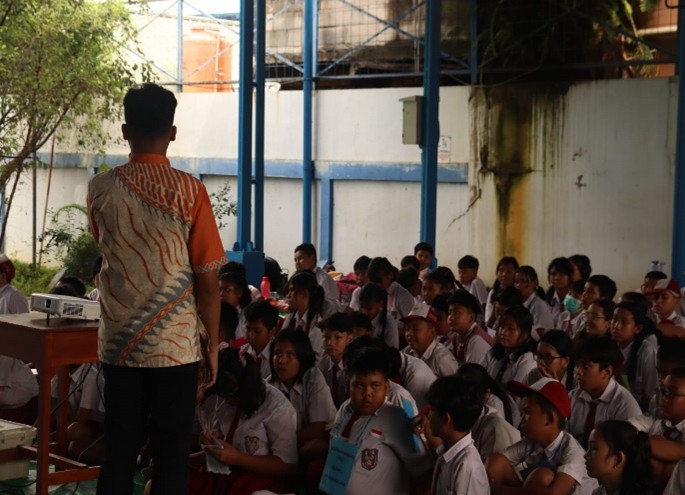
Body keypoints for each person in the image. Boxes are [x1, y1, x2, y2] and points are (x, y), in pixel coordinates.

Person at [87, 83, 224, 495]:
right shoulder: (191, 191)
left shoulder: (100, 188)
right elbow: (209, 281)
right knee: (171, 454)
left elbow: (105, 245)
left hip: (120, 345)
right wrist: (212, 345)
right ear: (173, 132)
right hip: (176, 349)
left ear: (125, 131)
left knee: (119, 449)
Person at [319, 347, 431, 495]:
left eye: (375, 385)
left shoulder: (394, 417)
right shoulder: (345, 409)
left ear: (386, 388)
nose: (367, 393)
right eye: (359, 385)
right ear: (348, 384)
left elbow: (422, 469)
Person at [188, 348, 297, 494]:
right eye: (223, 397)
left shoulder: (277, 407)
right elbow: (222, 452)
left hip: (258, 478)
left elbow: (288, 466)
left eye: (232, 396)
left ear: (245, 386)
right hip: (224, 473)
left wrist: (238, 458)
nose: (228, 402)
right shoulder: (220, 398)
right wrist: (210, 443)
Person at [486, 378, 598, 495]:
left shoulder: (573, 452)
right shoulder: (532, 442)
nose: (521, 419)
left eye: (527, 412)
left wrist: (496, 490)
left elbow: (554, 493)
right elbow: (497, 461)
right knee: (496, 461)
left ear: (548, 418)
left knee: (543, 475)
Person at [417, 375, 490, 494]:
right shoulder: (447, 449)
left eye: (432, 411)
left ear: (446, 418)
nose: (428, 416)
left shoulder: (467, 467)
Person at [268, 329, 336, 454]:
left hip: (321, 437)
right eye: (278, 354)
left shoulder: (314, 379)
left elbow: (317, 430)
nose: (282, 361)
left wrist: (281, 441)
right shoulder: (268, 385)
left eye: (289, 354)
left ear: (302, 357)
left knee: (312, 448)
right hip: (284, 440)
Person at [568, 336, 642, 449]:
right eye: (577, 365)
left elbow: (627, 450)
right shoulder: (573, 396)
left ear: (607, 372)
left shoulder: (624, 405)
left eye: (586, 366)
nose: (578, 371)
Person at [629, 368, 685, 491]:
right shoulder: (656, 414)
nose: (663, 398)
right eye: (663, 391)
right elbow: (625, 433)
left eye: (671, 393)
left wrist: (642, 445)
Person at [455, 364, 521, 460]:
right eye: (459, 393)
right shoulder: (458, 415)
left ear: (486, 394)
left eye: (472, 395)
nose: (464, 400)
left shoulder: (494, 428)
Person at [584, 420, 652, 495]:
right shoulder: (599, 492)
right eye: (588, 448)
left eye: (594, 448)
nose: (586, 456)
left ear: (618, 459)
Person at [611, 301, 658, 410]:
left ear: (638, 328)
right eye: (614, 319)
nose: (616, 326)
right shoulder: (608, 347)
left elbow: (650, 396)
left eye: (624, 322)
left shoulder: (646, 351)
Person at [282, 270, 337, 360]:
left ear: (304, 294)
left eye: (292, 290)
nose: (288, 295)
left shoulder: (317, 325)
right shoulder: (290, 318)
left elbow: (314, 359)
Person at [401, 302, 458, 377]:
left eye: (416, 329)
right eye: (407, 329)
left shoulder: (442, 359)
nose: (409, 334)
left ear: (431, 333)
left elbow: (456, 383)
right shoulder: (405, 353)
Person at [318, 312, 355, 408]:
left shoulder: (355, 366)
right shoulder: (321, 366)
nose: (330, 343)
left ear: (349, 339)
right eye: (326, 337)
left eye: (338, 337)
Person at [447, 290, 494, 365]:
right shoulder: (456, 336)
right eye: (449, 312)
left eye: (456, 312)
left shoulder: (477, 340)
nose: (451, 318)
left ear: (471, 318)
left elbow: (471, 372)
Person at [367, 257, 415, 323]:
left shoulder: (403, 296)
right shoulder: (377, 294)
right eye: (373, 282)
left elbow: (412, 324)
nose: (376, 285)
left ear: (390, 275)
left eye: (378, 280)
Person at [242, 300, 280, 380]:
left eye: (257, 331)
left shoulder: (278, 358)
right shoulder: (242, 354)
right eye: (248, 330)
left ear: (272, 331)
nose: (251, 336)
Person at [514, 266, 554, 340]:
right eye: (516, 282)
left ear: (535, 282)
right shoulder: (518, 303)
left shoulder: (538, 305)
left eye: (524, 281)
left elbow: (540, 336)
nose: (519, 285)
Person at [358, 282, 399, 349]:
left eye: (369, 308)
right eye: (362, 307)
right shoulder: (357, 319)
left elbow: (393, 352)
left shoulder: (389, 323)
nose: (365, 312)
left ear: (380, 304)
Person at [484, 256, 519, 328]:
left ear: (516, 274)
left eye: (509, 272)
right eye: (501, 270)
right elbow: (488, 322)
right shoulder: (493, 292)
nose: (504, 274)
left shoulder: (519, 293)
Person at [219, 271, 251, 340]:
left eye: (227, 290)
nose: (221, 294)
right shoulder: (218, 312)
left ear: (239, 292)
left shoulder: (246, 316)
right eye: (219, 290)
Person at [545, 257, 574, 327]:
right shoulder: (546, 299)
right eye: (553, 274)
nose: (556, 278)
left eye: (561, 274)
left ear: (570, 276)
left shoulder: (576, 299)